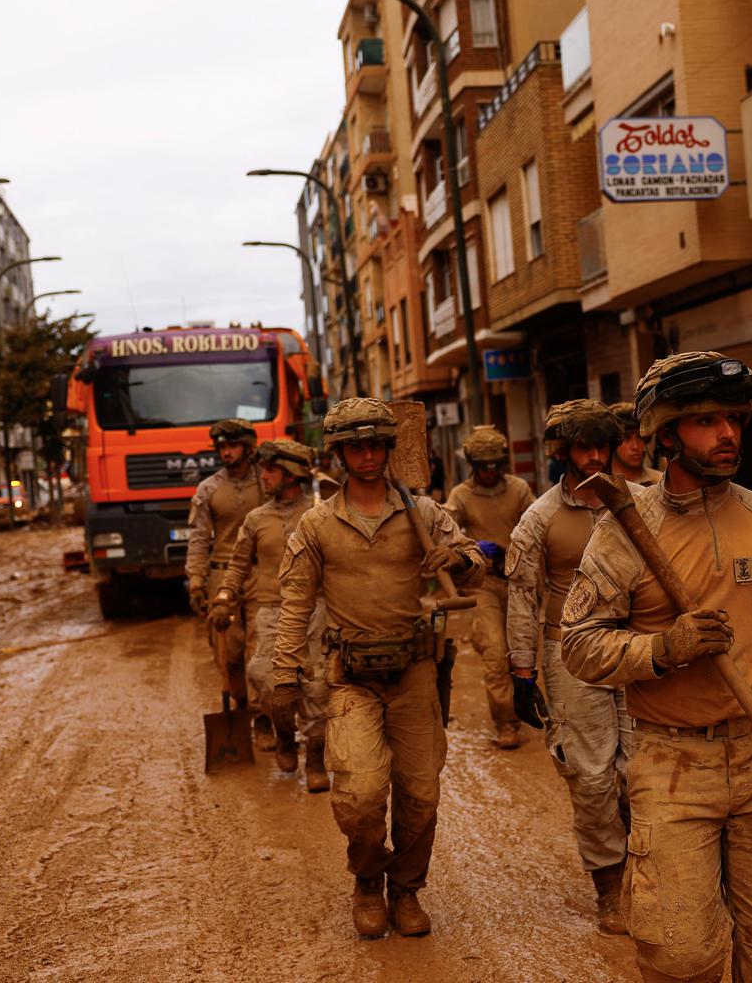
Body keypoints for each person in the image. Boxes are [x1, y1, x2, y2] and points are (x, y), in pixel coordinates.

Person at [561, 352, 752, 982]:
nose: (728, 434)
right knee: (680, 957)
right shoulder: (622, 533)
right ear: (666, 436)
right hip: (674, 766)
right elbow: (577, 647)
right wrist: (661, 649)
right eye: (706, 421)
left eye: (734, 418)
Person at [273, 397, 484, 939]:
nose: (367, 455)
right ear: (339, 455)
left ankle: (407, 890)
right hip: (351, 678)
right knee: (361, 796)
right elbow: (295, 604)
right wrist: (283, 674)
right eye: (355, 446)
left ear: (390, 449)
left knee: (421, 793)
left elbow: (476, 567)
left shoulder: (425, 514)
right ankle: (368, 880)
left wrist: (456, 560)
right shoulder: (317, 525)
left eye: (376, 444)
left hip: (415, 675)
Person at [505, 399, 632, 934]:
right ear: (563, 453)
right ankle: (610, 885)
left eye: (602, 444)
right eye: (584, 446)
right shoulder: (539, 519)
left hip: (638, 650)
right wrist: (522, 672)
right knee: (592, 777)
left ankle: (654, 871)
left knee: (644, 771)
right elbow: (522, 597)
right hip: (570, 657)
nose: (596, 455)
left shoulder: (639, 504)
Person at [209, 440, 324, 786]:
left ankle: (317, 759)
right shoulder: (256, 519)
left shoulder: (321, 514)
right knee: (264, 676)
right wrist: (225, 598)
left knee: (317, 686)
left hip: (316, 610)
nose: (264, 476)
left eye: (271, 470)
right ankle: (285, 734)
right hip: (270, 610)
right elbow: (238, 565)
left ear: (291, 474)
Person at [443, 425, 536, 749]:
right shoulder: (461, 496)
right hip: (483, 584)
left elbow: (537, 528)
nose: (490, 472)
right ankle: (506, 722)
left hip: (520, 581)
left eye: (496, 465)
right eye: (484, 467)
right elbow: (446, 534)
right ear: (473, 465)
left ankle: (532, 709)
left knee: (525, 650)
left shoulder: (520, 490)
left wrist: (513, 551)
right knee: (496, 652)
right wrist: (470, 547)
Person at [186, 419, 265, 735]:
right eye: (222, 448)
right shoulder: (208, 490)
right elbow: (198, 538)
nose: (226, 453)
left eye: (232, 446)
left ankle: (263, 717)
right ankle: (242, 705)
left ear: (248, 448)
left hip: (262, 574)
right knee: (229, 654)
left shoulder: (267, 483)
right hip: (222, 579)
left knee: (261, 650)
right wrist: (196, 580)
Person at [609, 401, 663, 486]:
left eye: (640, 438)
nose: (635, 446)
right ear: (613, 442)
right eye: (626, 438)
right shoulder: (601, 485)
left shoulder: (661, 483)